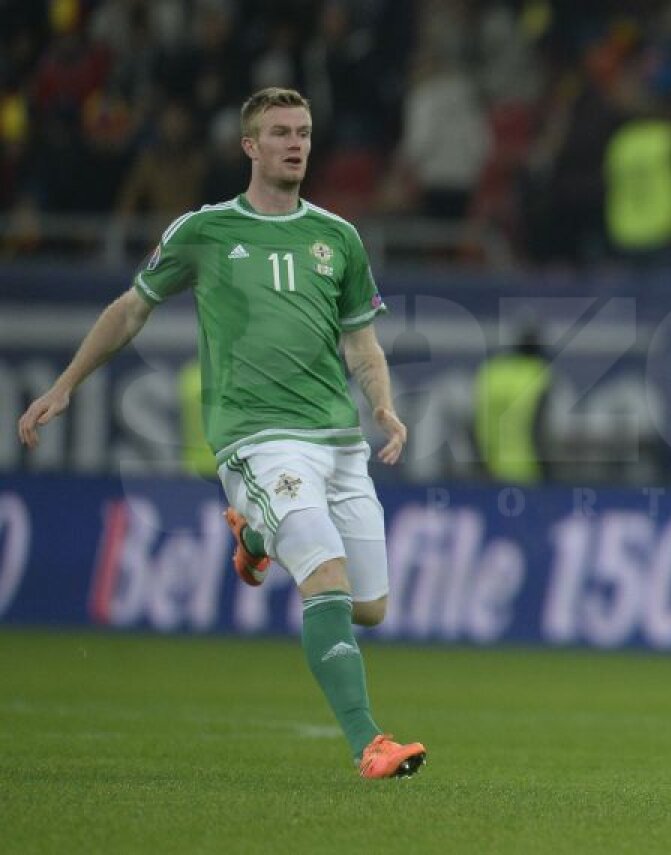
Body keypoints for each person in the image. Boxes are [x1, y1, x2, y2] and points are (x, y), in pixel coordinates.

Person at [18, 87, 426, 781]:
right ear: (249, 146)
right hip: (259, 439)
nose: (295, 143)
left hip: (338, 441)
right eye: (280, 133)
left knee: (370, 607)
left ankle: (254, 537)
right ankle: (370, 743)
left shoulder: (338, 237)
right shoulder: (204, 231)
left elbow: (362, 341)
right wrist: (65, 385)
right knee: (325, 574)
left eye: (303, 132)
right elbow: (130, 309)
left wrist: (382, 405)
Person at [473, 325, 553, 484]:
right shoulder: (538, 374)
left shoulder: (491, 371)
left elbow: (473, 424)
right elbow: (539, 431)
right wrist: (549, 472)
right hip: (527, 471)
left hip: (489, 471)